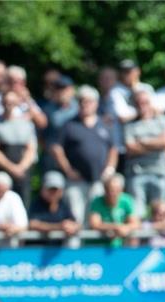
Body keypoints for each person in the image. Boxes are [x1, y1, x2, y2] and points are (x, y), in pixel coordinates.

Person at [52, 86, 119, 223]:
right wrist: (68, 170)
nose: (85, 104)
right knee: (76, 217)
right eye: (82, 101)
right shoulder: (69, 125)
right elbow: (56, 149)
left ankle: (95, 245)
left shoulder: (105, 124)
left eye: (89, 101)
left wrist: (110, 168)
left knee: (96, 218)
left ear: (96, 103)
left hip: (99, 180)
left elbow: (114, 148)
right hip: (76, 182)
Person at [122, 86, 165, 209]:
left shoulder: (162, 120)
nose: (142, 105)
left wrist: (142, 142)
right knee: (138, 211)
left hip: (160, 170)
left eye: (145, 102)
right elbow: (130, 148)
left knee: (161, 211)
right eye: (138, 102)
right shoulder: (130, 124)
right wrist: (157, 144)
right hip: (136, 172)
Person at [88, 173, 141, 245]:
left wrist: (127, 228)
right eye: (110, 190)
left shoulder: (126, 200)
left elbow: (136, 223)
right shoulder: (97, 202)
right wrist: (116, 227)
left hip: (118, 247)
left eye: (116, 190)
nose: (112, 193)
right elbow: (95, 224)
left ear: (121, 190)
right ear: (105, 190)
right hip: (98, 246)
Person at [28, 171, 81, 236]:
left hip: (59, 246)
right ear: (42, 189)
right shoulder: (36, 204)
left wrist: (73, 227)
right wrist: (58, 227)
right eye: (50, 189)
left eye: (55, 190)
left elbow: (76, 223)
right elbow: (33, 224)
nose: (53, 193)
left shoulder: (63, 205)